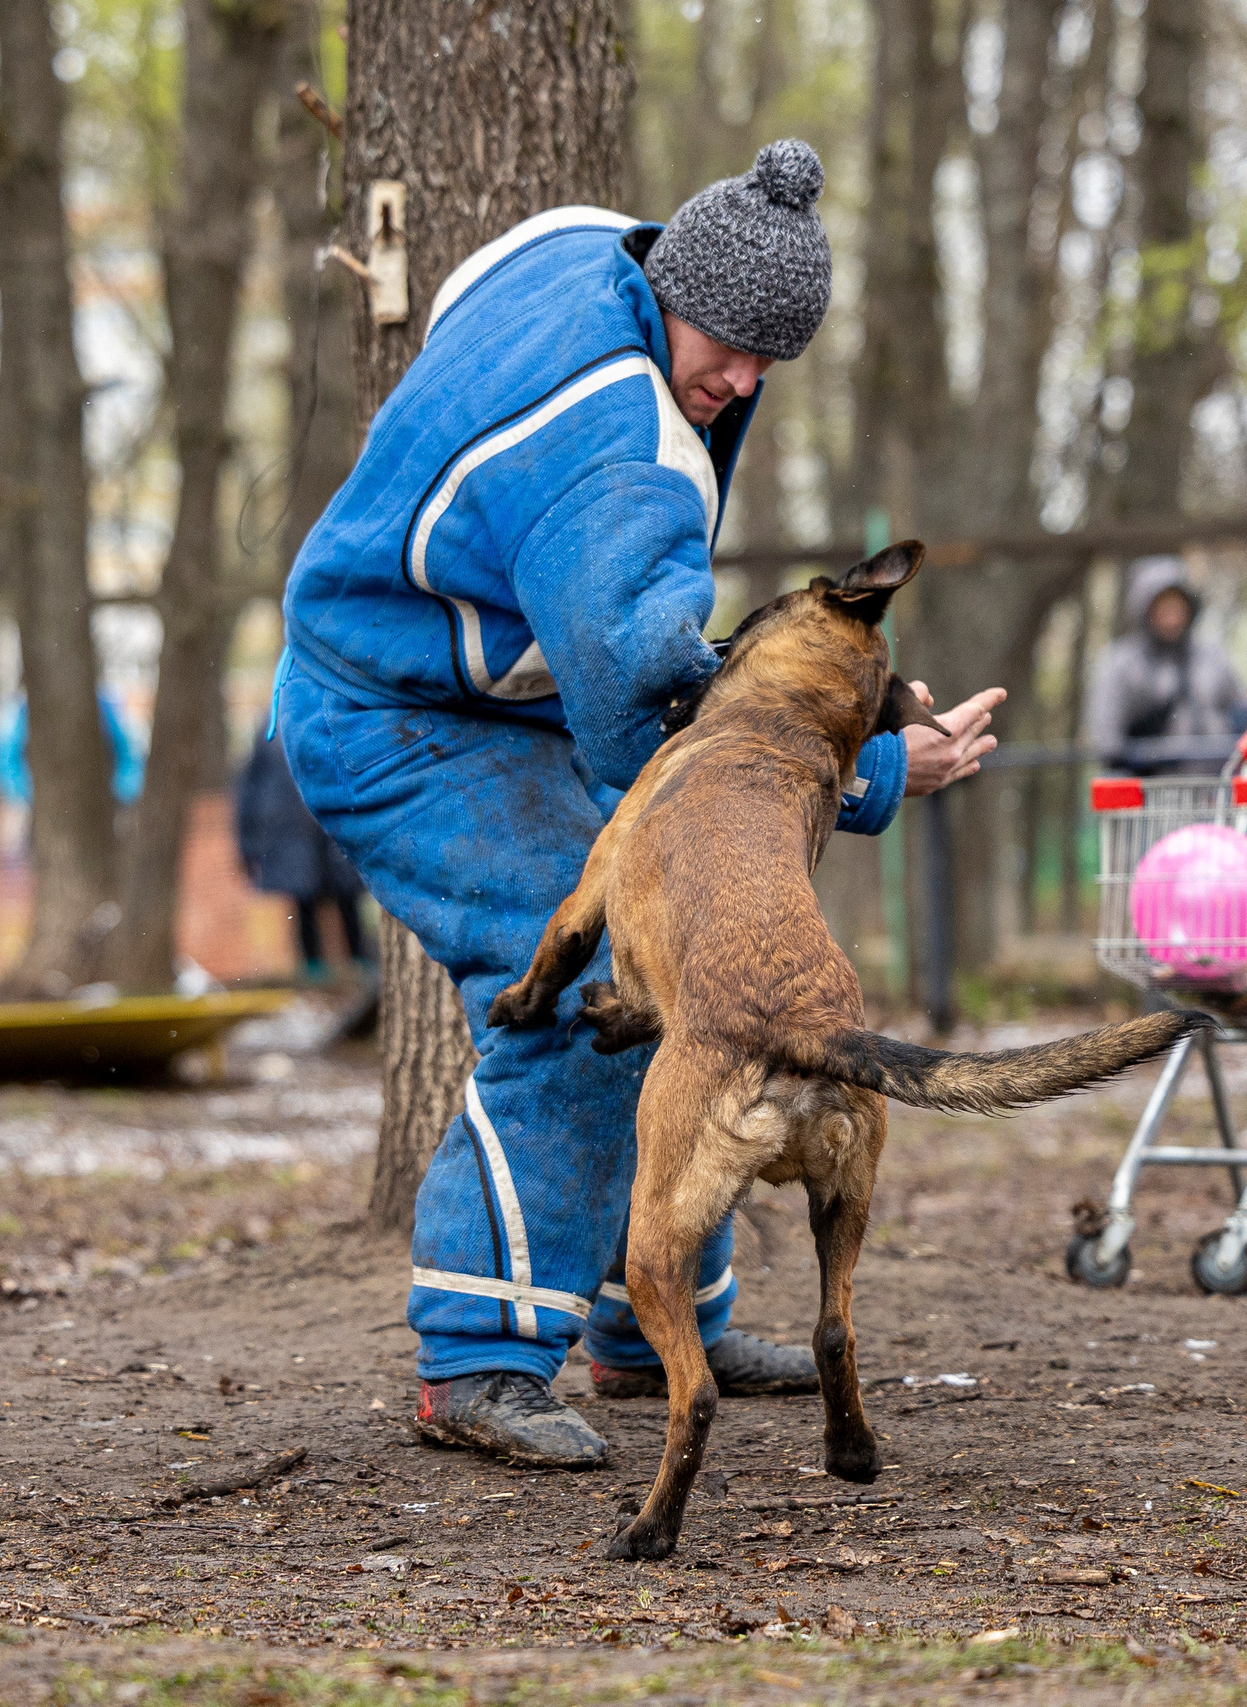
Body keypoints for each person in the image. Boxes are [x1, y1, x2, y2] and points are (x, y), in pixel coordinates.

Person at [271, 141, 1002, 1469]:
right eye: (727, 349)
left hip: (487, 676)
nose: (744, 381)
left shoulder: (588, 245)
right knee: (588, 982)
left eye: (771, 360)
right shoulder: (621, 472)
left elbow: (465, 301)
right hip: (393, 716)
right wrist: (886, 769)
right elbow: (655, 745)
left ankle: (655, 1316)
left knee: (695, 980)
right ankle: (479, 1358)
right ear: (676, 288)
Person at [1084, 556, 1247, 775]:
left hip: (1216, 788)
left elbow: (1238, 707)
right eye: (1162, 606)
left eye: (1177, 606)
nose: (1172, 616)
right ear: (1145, 610)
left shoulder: (1212, 658)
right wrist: (1142, 757)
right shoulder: (1123, 663)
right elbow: (1107, 736)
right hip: (1151, 792)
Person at [234, 731, 373, 981]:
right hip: (293, 836)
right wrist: (247, 846)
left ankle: (359, 963)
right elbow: (248, 791)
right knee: (303, 901)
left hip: (330, 830)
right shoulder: (269, 728)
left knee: (346, 897)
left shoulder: (327, 715)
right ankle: (313, 970)